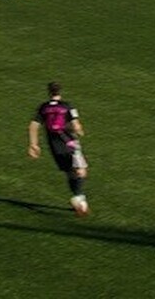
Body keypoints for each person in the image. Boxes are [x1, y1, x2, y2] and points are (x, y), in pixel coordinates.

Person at [27, 81, 90, 216]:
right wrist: (79, 129)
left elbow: (33, 126)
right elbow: (76, 125)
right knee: (81, 171)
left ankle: (79, 199)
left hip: (55, 146)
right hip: (70, 143)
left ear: (49, 92)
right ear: (60, 92)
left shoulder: (42, 108)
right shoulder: (67, 106)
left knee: (69, 172)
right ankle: (78, 198)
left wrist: (33, 144)